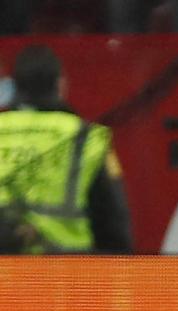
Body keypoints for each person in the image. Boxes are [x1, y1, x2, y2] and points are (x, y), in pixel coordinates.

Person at [0, 45, 133, 254]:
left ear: (13, 87)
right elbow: (114, 227)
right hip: (66, 278)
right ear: (60, 84)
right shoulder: (88, 138)